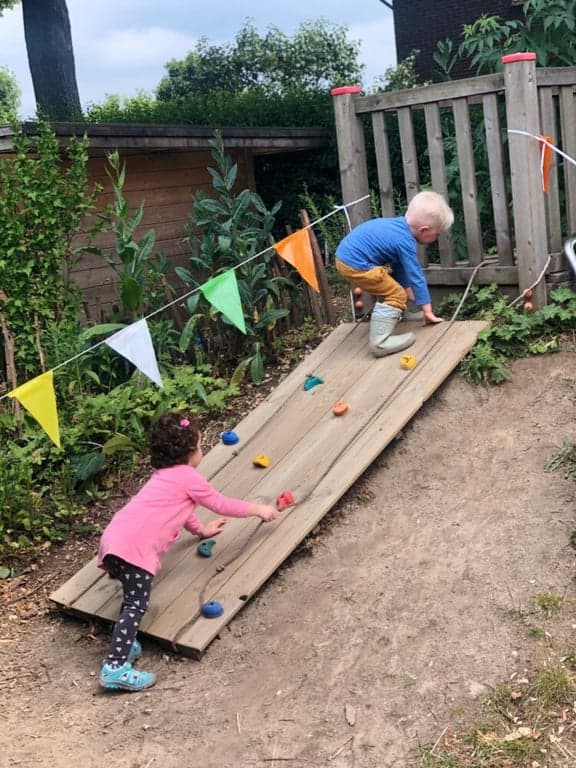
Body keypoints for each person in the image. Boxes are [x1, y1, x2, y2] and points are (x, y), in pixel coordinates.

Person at [97, 411, 279, 692]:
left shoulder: (164, 476)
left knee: (132, 597)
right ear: (191, 451)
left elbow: (181, 509)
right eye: (200, 444)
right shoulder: (188, 478)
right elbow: (220, 503)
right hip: (135, 548)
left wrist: (201, 531)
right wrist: (258, 509)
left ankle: (126, 641)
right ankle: (115, 666)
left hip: (115, 539)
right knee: (136, 605)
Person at [335, 190, 454, 357]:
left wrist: (409, 292)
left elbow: (400, 269)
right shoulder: (405, 241)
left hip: (345, 258)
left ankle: (400, 314)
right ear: (423, 230)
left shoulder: (398, 228)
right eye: (437, 235)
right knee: (396, 294)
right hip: (355, 263)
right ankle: (380, 342)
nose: (436, 239)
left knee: (392, 287)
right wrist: (427, 309)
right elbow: (416, 276)